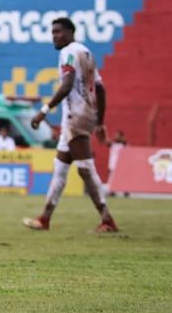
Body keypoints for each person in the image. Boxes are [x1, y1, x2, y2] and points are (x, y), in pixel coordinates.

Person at [24, 17, 119, 233]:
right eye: (52, 32)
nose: (54, 36)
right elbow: (100, 88)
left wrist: (43, 111)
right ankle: (44, 218)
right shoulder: (86, 53)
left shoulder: (67, 53)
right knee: (60, 169)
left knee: (85, 169)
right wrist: (100, 122)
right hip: (83, 115)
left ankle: (107, 219)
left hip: (75, 116)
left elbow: (67, 85)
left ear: (70, 32)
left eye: (58, 32)